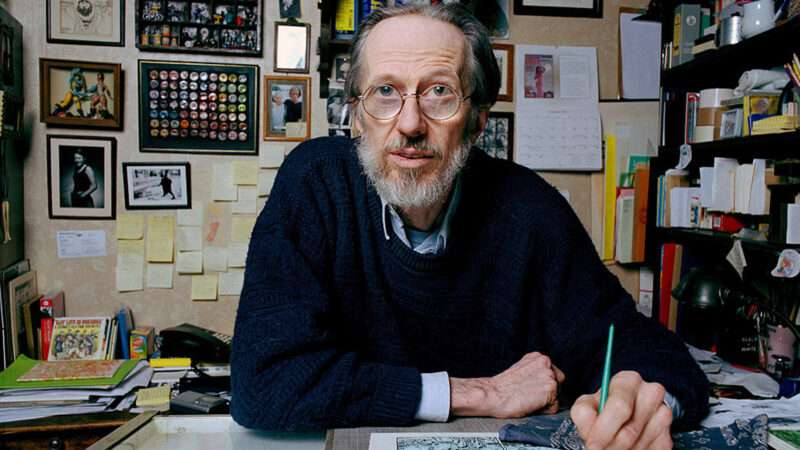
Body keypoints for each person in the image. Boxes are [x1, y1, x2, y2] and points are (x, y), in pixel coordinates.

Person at [231, 4, 708, 449]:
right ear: (357, 114)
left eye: (440, 92)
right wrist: (479, 393)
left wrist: (640, 396)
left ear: (478, 119)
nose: (411, 123)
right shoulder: (314, 184)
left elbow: (638, 344)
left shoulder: (531, 211)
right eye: (385, 92)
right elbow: (264, 382)